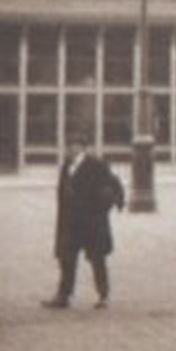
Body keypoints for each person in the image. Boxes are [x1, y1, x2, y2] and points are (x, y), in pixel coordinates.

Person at [43, 132, 125, 310]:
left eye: (73, 145)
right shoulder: (66, 167)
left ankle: (103, 295)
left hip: (92, 224)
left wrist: (101, 209)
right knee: (67, 259)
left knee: (97, 259)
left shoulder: (96, 165)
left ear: (82, 148)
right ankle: (64, 295)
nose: (69, 149)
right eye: (68, 145)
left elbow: (111, 188)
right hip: (70, 224)